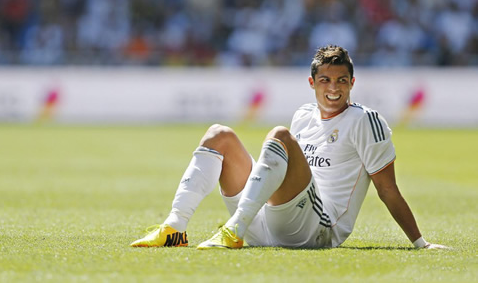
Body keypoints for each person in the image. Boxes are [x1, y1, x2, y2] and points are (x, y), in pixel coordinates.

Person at [130, 45, 447, 250]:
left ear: (352, 82)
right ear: (312, 83)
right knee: (219, 134)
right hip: (267, 222)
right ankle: (174, 227)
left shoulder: (367, 121)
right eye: (325, 80)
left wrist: (420, 243)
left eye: (341, 80)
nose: (333, 88)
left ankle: (233, 230)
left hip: (315, 230)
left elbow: (387, 188)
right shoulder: (303, 114)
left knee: (279, 135)